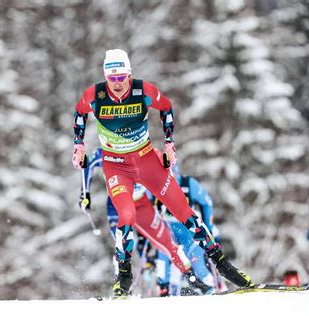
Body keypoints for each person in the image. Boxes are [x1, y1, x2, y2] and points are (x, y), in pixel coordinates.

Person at [72, 48, 253, 298]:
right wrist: (78, 145)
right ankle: (123, 278)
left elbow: (166, 107)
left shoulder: (142, 91)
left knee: (183, 211)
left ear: (129, 74)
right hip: (116, 165)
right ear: (106, 77)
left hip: (146, 161)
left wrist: (169, 144)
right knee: (125, 215)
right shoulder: (95, 95)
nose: (117, 84)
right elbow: (80, 113)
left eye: (121, 77)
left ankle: (223, 265)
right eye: (111, 78)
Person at [80, 147, 210, 296]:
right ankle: (120, 288)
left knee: (167, 243)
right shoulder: (106, 151)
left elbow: (165, 171)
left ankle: (194, 280)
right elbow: (87, 162)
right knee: (122, 243)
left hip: (141, 203)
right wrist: (85, 194)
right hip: (117, 204)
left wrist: (161, 199)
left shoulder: (145, 149)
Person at [153, 165, 228, 296]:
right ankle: (165, 291)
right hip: (167, 229)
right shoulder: (153, 185)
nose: (170, 179)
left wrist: (207, 227)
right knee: (164, 259)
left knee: (198, 264)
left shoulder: (188, 184)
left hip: (188, 230)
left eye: (172, 175)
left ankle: (216, 287)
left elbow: (207, 202)